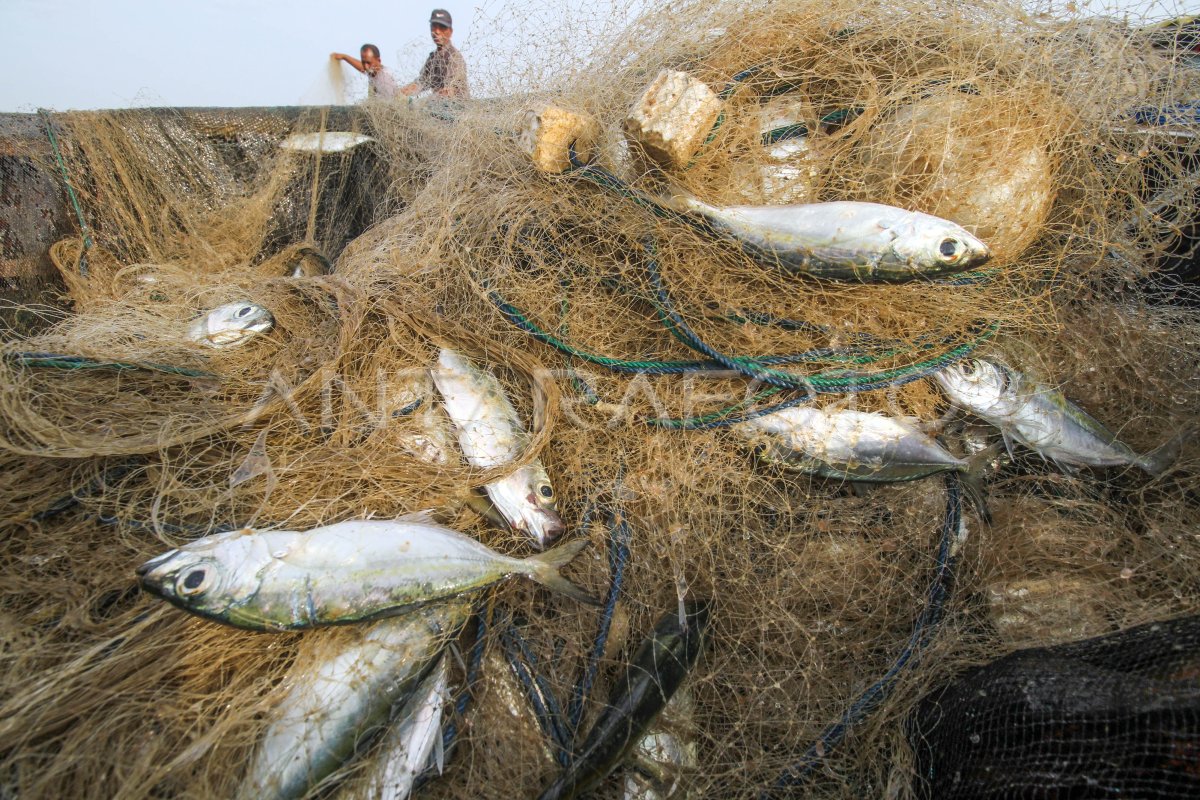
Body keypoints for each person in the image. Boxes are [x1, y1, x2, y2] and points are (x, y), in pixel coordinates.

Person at [400, 9, 469, 99]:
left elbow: (450, 91)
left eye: (442, 27)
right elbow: (421, 82)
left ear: (450, 31)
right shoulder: (433, 58)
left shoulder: (454, 57)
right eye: (434, 27)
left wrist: (426, 102)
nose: (437, 31)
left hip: (457, 109)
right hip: (437, 107)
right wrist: (402, 92)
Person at [331, 44, 398, 100]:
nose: (366, 67)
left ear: (379, 60)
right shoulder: (373, 70)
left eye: (368, 63)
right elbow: (362, 67)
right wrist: (344, 57)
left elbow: (388, 106)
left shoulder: (385, 79)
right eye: (363, 62)